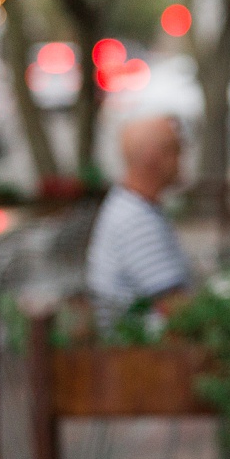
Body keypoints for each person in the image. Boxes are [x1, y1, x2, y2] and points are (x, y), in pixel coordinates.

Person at [86, 114, 192, 331]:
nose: (183, 157)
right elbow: (175, 305)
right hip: (139, 356)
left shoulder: (131, 205)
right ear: (153, 157)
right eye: (177, 148)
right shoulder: (135, 221)